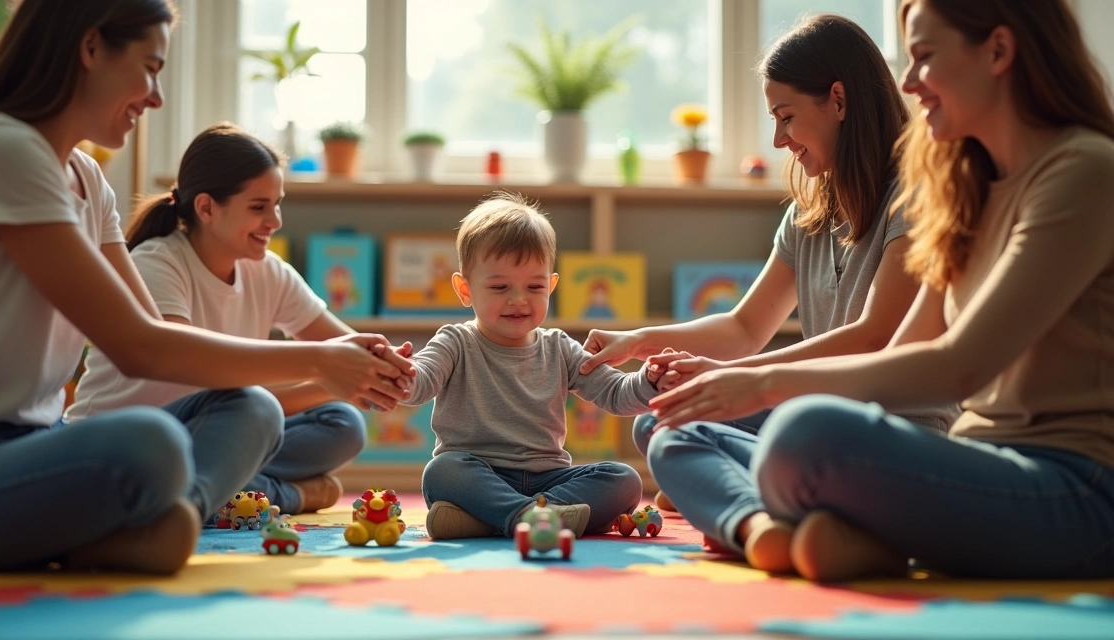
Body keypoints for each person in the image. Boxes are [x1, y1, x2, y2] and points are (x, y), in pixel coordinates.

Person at [0, 0, 411, 575]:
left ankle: (170, 521)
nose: (156, 97)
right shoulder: (0, 149)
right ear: (91, 48)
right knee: (149, 442)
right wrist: (319, 363)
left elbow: (161, 347)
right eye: (150, 67)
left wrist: (341, 362)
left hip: (30, 448)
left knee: (252, 407)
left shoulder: (88, 179)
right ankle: (136, 526)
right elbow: (140, 347)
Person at [649, 0, 1114, 581]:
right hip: (981, 464)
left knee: (805, 435)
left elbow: (957, 367)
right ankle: (856, 537)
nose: (910, 81)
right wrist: (747, 387)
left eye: (923, 57)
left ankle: (834, 524)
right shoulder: (968, 188)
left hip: (1079, 488)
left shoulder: (1084, 172)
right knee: (677, 433)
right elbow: (905, 348)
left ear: (998, 50)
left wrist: (763, 383)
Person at [581, 13, 956, 513]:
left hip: (896, 426)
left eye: (786, 116)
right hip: (817, 415)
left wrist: (734, 379)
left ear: (839, 101)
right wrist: (643, 340)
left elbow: (876, 337)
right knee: (659, 420)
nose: (779, 140)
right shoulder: (810, 213)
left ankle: (733, 493)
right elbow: (744, 326)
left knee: (749, 432)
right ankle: (769, 495)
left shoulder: (914, 196)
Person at [67, 123, 376, 515]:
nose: (275, 220)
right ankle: (278, 494)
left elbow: (347, 344)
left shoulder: (268, 270)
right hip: (134, 437)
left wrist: (382, 366)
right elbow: (205, 387)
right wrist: (329, 373)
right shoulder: (157, 264)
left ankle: (224, 487)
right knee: (251, 406)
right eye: (259, 207)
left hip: (221, 428)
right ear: (207, 208)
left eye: (277, 203)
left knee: (342, 422)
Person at [404, 193, 658, 540]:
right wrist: (401, 373)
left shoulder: (559, 347)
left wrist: (651, 381)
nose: (518, 299)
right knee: (442, 471)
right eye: (499, 287)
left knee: (625, 481)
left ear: (551, 286)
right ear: (465, 290)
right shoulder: (455, 342)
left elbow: (616, 393)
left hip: (549, 478)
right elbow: (421, 380)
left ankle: (497, 519)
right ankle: (530, 516)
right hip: (479, 474)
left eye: (534, 286)